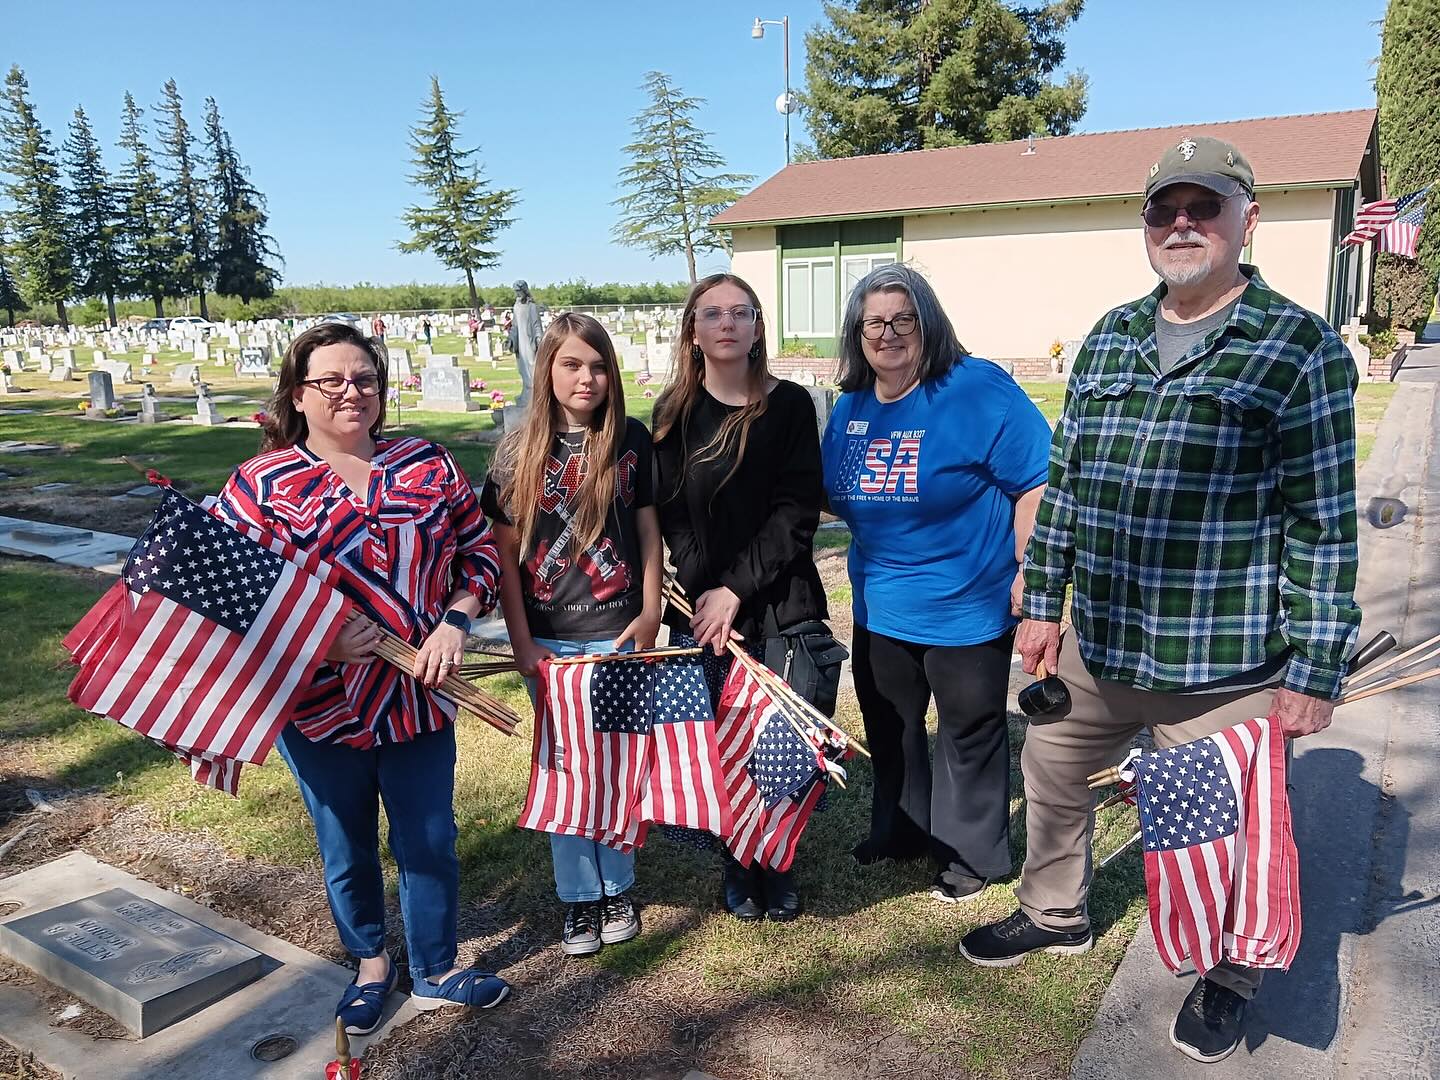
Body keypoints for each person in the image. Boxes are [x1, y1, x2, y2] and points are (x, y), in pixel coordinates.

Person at [958, 136, 1362, 1065]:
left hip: (1220, 668)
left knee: (1220, 833)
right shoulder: (1109, 335)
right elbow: (1069, 481)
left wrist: (1315, 670)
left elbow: (1325, 527)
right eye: (1163, 210)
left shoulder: (1296, 349)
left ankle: (1228, 975)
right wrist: (1044, 602)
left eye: (1203, 207)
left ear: (1244, 219)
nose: (1181, 225)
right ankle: (1053, 913)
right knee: (1053, 780)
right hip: (1098, 644)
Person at [214, 322, 511, 1034]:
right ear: (298, 392)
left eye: (366, 379)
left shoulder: (425, 464)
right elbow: (229, 598)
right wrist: (317, 642)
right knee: (343, 838)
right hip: (319, 706)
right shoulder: (261, 484)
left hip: (418, 693)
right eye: (332, 380)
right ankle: (371, 961)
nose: (353, 392)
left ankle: (437, 967)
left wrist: (456, 620)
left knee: (429, 836)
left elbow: (480, 555)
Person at [821, 264, 1050, 902]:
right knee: (891, 726)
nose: (888, 333)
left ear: (929, 324)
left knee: (967, 731)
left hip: (966, 604)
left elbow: (1036, 479)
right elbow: (834, 496)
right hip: (879, 604)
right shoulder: (853, 404)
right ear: (856, 333)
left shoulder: (978, 389)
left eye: (904, 319)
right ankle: (900, 831)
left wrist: (1030, 570)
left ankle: (971, 855)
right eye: (874, 322)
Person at [653, 272, 835, 922]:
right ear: (693, 331)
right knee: (722, 740)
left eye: (740, 312)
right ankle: (738, 862)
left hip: (782, 600)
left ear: (758, 326)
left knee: (783, 738)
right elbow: (674, 518)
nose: (726, 323)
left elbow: (795, 512)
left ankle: (778, 865)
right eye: (712, 314)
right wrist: (708, 598)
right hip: (705, 611)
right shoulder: (673, 415)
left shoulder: (788, 407)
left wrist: (735, 589)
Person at [481, 313, 662, 956]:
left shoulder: (630, 441)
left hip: (617, 633)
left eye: (598, 365)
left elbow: (646, 534)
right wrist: (522, 641)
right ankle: (579, 899)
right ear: (547, 371)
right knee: (566, 770)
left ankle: (618, 887)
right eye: (571, 364)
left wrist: (647, 615)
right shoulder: (516, 452)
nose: (586, 377)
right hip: (552, 639)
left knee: (615, 767)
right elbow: (503, 555)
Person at [512, 281, 544, 407]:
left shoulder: (531, 307)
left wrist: (539, 339)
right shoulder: (516, 307)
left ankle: (534, 394)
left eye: (520, 291)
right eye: (516, 292)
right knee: (522, 368)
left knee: (532, 367)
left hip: (529, 342)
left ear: (525, 291)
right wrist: (511, 339)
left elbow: (536, 325)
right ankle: (526, 393)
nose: (518, 294)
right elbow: (514, 326)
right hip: (520, 342)